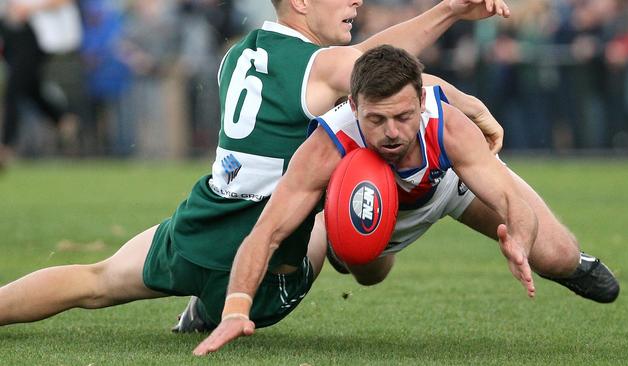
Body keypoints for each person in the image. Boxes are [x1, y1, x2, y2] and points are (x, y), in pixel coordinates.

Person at [0, 0, 512, 356]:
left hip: (206, 219)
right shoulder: (324, 65)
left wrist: (447, 11)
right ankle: (216, 306)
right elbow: (385, 74)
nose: (355, 4)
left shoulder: (242, 51)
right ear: (301, 5)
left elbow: (360, 63)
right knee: (339, 218)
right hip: (267, 252)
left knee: (94, 281)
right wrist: (470, 104)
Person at [191, 44, 619, 356]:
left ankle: (572, 264)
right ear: (353, 105)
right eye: (376, 119)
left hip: (450, 184)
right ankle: (212, 302)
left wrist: (520, 240)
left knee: (555, 254)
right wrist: (234, 309)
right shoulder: (327, 144)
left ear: (420, 101)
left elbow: (510, 199)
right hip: (367, 204)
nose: (392, 132)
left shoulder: (447, 123)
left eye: (403, 116)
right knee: (366, 270)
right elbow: (265, 232)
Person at [0, 0, 82, 167]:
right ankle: (62, 118)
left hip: (37, 36)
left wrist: (29, 8)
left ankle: (6, 146)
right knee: (29, 88)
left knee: (14, 89)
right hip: (14, 32)